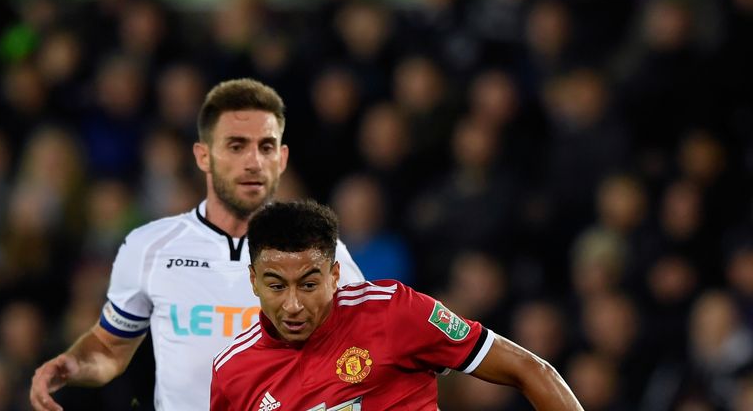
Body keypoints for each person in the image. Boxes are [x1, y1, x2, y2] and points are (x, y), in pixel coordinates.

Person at [30, 79, 365, 411]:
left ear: (281, 158)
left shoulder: (323, 252)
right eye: (236, 146)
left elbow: (366, 357)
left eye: (265, 147)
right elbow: (110, 348)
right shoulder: (150, 246)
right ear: (204, 156)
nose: (252, 162)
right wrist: (72, 364)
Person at [211, 200, 583, 410]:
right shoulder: (233, 372)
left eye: (309, 284)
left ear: (335, 276)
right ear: (254, 281)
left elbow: (533, 371)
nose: (292, 305)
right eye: (276, 285)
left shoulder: (394, 312)